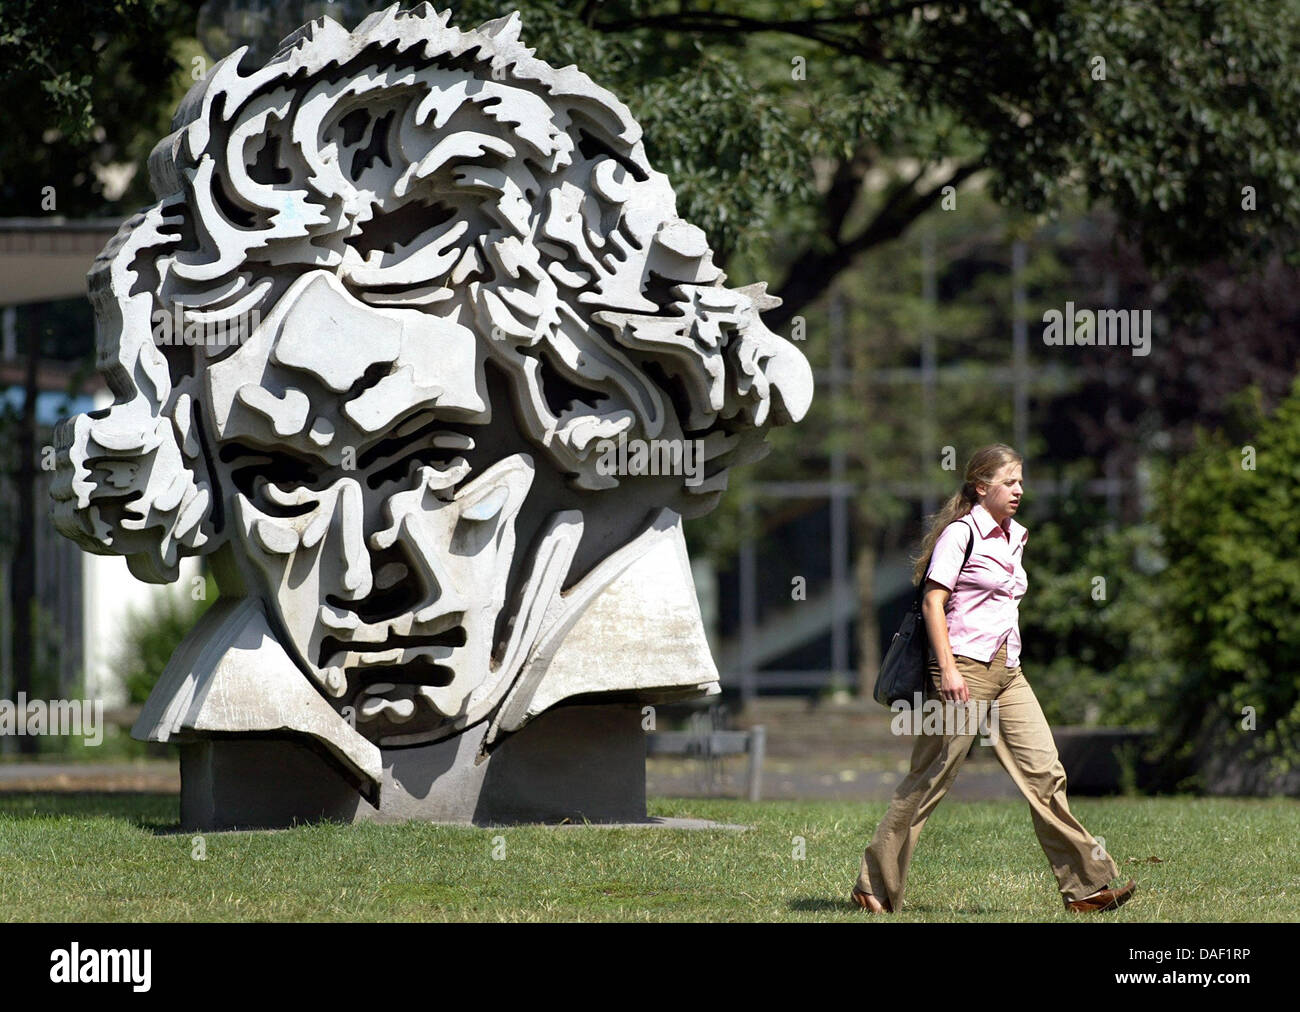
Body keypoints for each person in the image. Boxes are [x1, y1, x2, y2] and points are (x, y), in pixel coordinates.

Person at [850, 444, 1136, 914]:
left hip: (1009, 672)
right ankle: (873, 886)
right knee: (929, 780)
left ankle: (1085, 887)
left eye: (1021, 481)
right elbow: (932, 602)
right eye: (1010, 482)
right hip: (963, 670)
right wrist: (946, 671)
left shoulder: (1013, 538)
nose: (1019, 490)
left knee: (1046, 773)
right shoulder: (961, 535)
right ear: (982, 487)